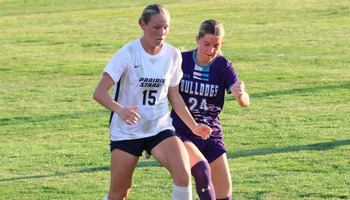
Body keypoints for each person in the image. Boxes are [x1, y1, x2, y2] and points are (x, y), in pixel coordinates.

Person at [93, 4, 212, 200]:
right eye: (157, 27)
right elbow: (99, 93)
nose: (162, 32)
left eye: (166, 27)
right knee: (119, 194)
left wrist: (194, 126)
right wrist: (120, 110)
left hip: (159, 128)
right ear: (143, 25)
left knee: (183, 176)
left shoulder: (173, 55)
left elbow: (174, 96)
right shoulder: (128, 53)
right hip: (127, 132)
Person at [170, 19, 250, 200]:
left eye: (216, 45)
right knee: (202, 171)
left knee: (225, 193)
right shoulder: (181, 61)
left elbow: (244, 101)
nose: (211, 50)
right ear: (197, 39)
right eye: (207, 44)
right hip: (183, 132)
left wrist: (240, 94)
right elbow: (170, 95)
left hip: (211, 134)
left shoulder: (223, 66)